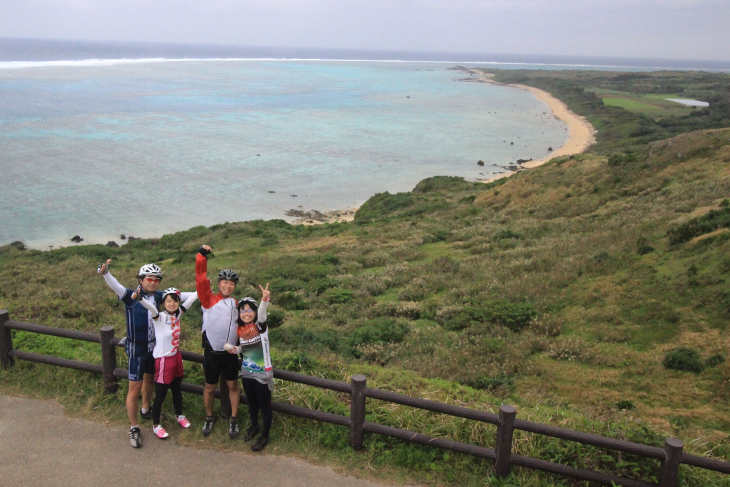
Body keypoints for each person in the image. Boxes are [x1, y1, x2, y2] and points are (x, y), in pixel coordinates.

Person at [97, 259, 195, 448]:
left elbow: (181, 296)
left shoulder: (159, 296)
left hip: (154, 347)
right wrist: (106, 273)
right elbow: (115, 286)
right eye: (149, 279)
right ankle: (134, 427)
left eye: (156, 280)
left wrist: (206, 293)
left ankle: (145, 409)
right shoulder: (130, 295)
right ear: (141, 279)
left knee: (150, 380)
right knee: (134, 388)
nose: (152, 282)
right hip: (136, 347)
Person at [133, 286, 198, 439]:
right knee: (161, 394)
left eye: (175, 301)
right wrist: (140, 298)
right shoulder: (159, 316)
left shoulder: (178, 314)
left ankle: (179, 415)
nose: (172, 303)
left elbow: (192, 298)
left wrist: (203, 286)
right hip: (163, 360)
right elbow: (150, 307)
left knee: (177, 390)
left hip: (176, 357)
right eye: (168, 301)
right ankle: (156, 425)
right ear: (163, 303)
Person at [196, 244, 242, 439]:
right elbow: (200, 279)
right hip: (212, 354)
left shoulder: (236, 303)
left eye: (232, 283)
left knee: (232, 386)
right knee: (210, 387)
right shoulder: (208, 300)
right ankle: (209, 416)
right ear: (219, 283)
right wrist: (201, 255)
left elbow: (245, 325)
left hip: (230, 355)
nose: (228, 286)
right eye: (225, 282)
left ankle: (233, 419)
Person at [226, 284, 273, 451]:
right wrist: (234, 349)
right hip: (246, 371)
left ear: (254, 312)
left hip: (262, 373)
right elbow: (244, 349)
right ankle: (255, 426)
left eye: (249, 310)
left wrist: (264, 300)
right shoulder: (241, 330)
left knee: (264, 405)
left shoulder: (260, 327)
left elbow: (261, 315)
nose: (246, 313)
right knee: (252, 403)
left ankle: (265, 435)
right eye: (243, 310)